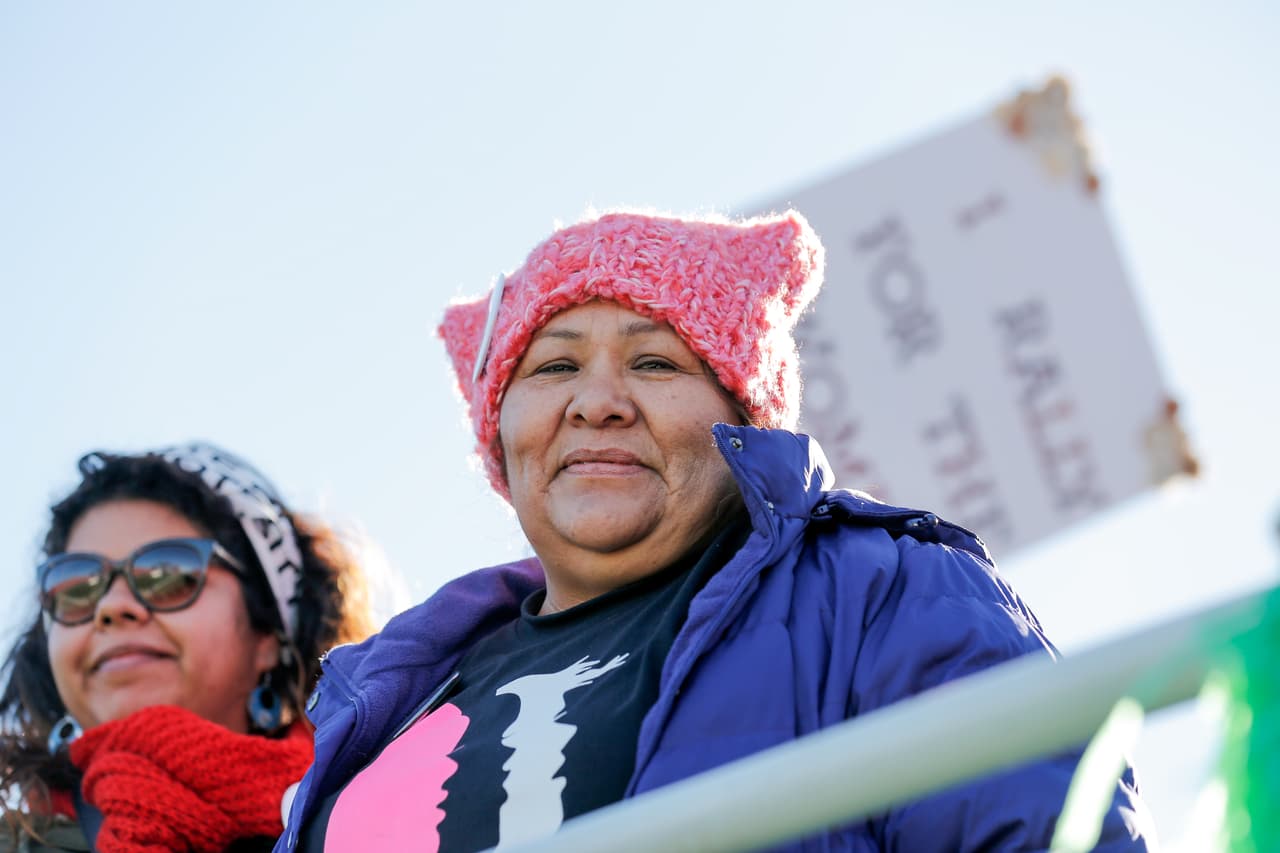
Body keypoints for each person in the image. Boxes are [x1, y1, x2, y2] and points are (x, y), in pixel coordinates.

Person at [280, 210, 1154, 851]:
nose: (598, 401)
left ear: (744, 420)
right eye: (553, 366)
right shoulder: (390, 690)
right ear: (500, 435)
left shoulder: (877, 589)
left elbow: (1047, 829)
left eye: (656, 361)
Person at [0, 442, 378, 853]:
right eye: (76, 586)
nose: (110, 607)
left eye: (167, 574)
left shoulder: (393, 812)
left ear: (267, 634)